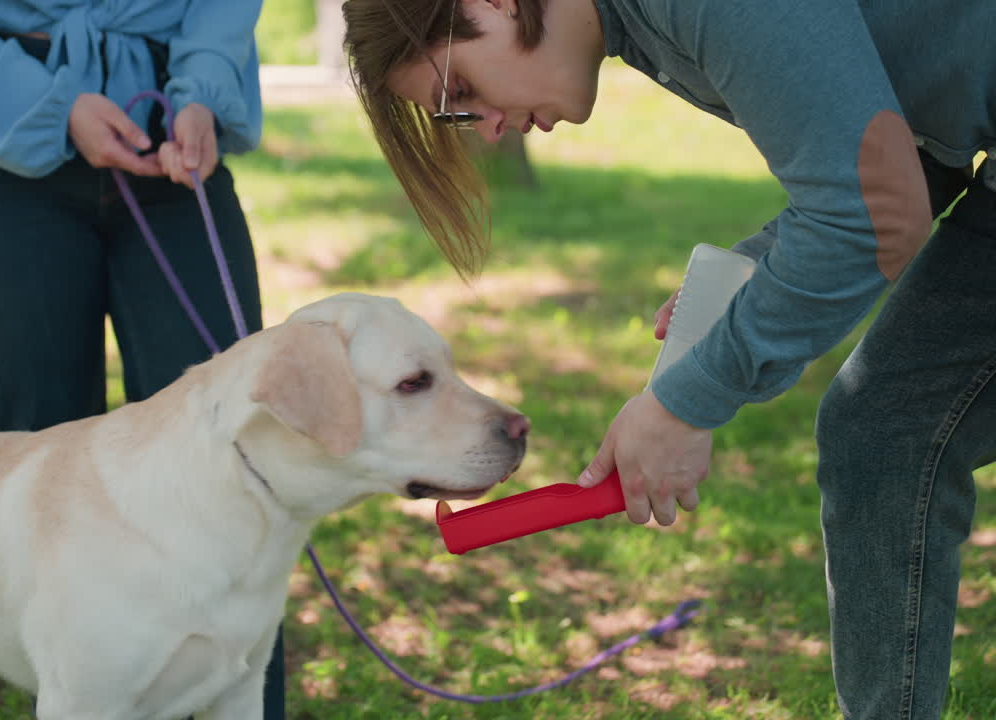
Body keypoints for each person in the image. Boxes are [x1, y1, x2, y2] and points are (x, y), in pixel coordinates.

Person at [341, 0, 995, 717]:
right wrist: (759, 269)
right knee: (886, 434)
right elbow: (912, 149)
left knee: (889, 431)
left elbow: (873, 214)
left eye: (459, 92)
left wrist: (690, 399)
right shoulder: (633, 27)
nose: (487, 128)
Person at [0, 1, 286, 717]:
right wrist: (55, 105)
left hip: (175, 134)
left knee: (234, 454)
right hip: (6, 142)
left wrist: (203, 93)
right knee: (38, 452)